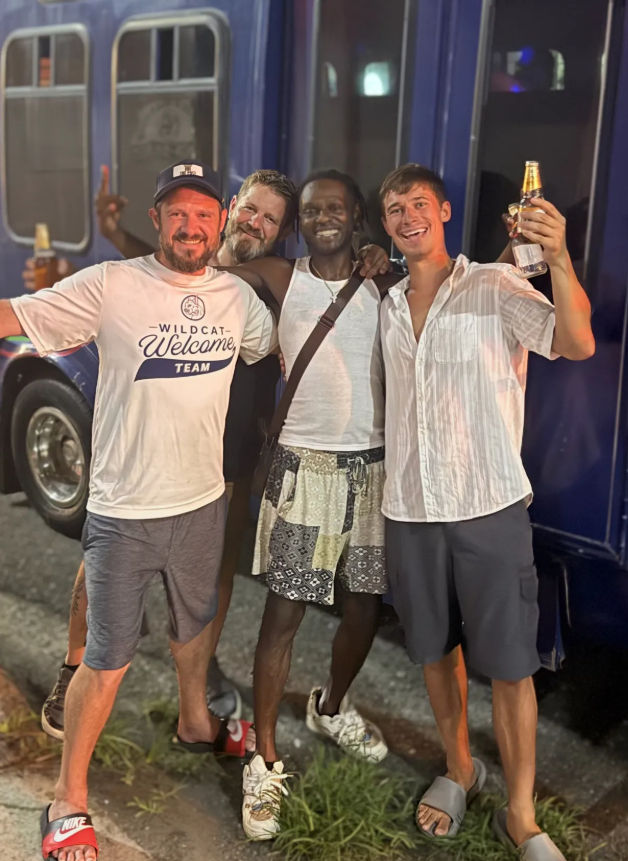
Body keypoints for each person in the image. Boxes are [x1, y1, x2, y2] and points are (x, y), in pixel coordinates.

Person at [0, 160, 280, 861]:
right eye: (176, 212)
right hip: (126, 508)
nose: (190, 225)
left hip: (202, 500)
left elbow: (270, 344)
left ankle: (193, 722)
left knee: (194, 629)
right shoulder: (113, 283)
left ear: (221, 221)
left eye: (203, 213)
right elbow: (15, 316)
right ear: (156, 220)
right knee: (110, 656)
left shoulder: (236, 300)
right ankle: (68, 802)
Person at [378, 163, 594, 859]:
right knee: (436, 653)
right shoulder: (384, 302)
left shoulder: (494, 284)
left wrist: (557, 256)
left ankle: (521, 813)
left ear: (443, 211)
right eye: (392, 208)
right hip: (410, 505)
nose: (407, 215)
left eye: (418, 203)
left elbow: (575, 341)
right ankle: (460, 767)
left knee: (509, 665)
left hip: (488, 502)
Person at [38, 166, 299, 739]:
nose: (257, 222)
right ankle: (75, 662)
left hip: (226, 441)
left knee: (211, 573)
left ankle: (198, 683)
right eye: (252, 209)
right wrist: (114, 240)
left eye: (272, 219)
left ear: (279, 233)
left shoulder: (262, 275)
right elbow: (152, 269)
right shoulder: (169, 261)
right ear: (234, 207)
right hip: (143, 442)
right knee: (102, 556)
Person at [221, 169, 402, 841]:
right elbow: (198, 273)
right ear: (298, 222)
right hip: (304, 472)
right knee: (284, 614)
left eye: (336, 207)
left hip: (372, 473)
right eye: (312, 209)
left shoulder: (382, 279)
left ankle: (330, 705)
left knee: (363, 606)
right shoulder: (277, 274)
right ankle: (264, 760)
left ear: (356, 217)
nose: (324, 216)